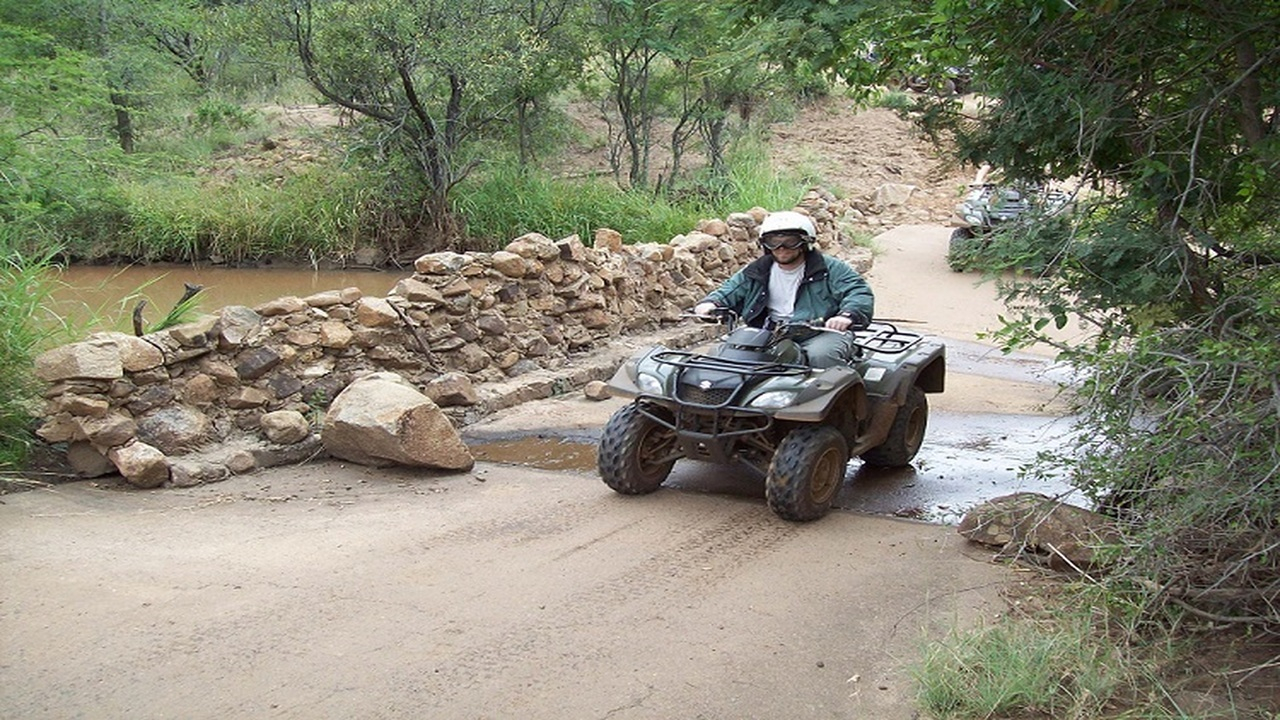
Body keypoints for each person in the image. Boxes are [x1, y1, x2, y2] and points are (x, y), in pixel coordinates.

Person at [694, 210, 874, 369]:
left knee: (820, 357)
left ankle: (838, 396)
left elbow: (857, 291)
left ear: (805, 242)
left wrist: (846, 316)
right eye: (773, 242)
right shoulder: (758, 269)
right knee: (721, 354)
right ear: (765, 244)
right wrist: (711, 303)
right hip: (768, 333)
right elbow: (730, 289)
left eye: (790, 242)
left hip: (819, 332)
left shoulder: (829, 267)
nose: (781, 248)